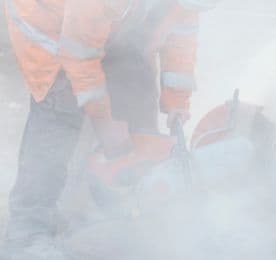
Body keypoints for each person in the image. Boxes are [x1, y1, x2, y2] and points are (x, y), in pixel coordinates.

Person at [2, 0, 217, 258]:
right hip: (49, 25)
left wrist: (177, 99)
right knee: (61, 107)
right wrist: (105, 123)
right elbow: (79, 54)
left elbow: (181, 34)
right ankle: (27, 232)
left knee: (138, 87)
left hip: (104, 23)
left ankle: (120, 208)